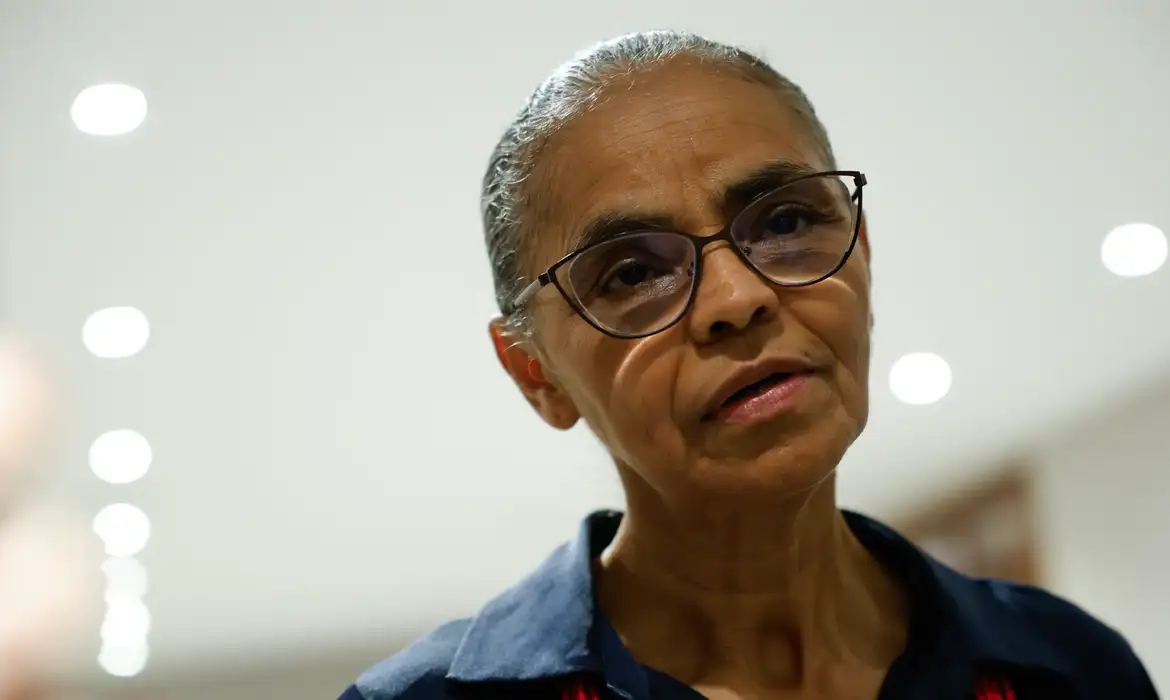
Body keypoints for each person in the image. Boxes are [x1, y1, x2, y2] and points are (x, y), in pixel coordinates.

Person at [339, 30, 1159, 700]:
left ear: (861, 250)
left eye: (787, 221)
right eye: (632, 273)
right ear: (536, 375)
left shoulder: (1069, 669)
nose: (738, 297)